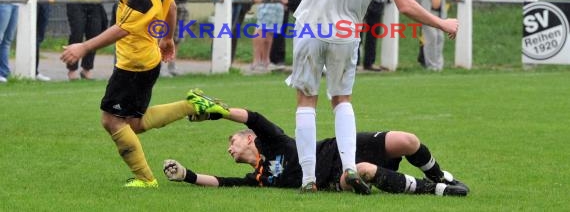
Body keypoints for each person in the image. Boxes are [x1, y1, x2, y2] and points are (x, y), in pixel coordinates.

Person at [262, 0, 459, 193]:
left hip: (313, 23)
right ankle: (350, 167)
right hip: (346, 32)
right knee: (341, 100)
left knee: (306, 99)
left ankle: (309, 179)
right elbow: (405, 5)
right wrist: (441, 22)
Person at [60, 0, 231, 188]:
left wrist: (84, 46)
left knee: (111, 120)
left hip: (133, 63)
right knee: (134, 123)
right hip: (149, 58)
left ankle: (145, 179)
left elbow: (122, 28)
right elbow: (171, 8)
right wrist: (168, 40)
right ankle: (193, 104)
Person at [162, 99, 468, 197]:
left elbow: (253, 117)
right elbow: (220, 181)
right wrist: (185, 175)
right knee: (363, 172)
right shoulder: (259, 179)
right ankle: (437, 191)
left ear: (250, 139)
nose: (230, 148)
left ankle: (441, 176)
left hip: (338, 146)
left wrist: (218, 110)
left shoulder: (273, 140)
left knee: (407, 140)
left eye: (233, 140)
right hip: (334, 178)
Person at [408, 0, 456, 71]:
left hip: (440, 13)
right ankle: (431, 65)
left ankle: (438, 66)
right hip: (426, 12)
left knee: (440, 38)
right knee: (431, 37)